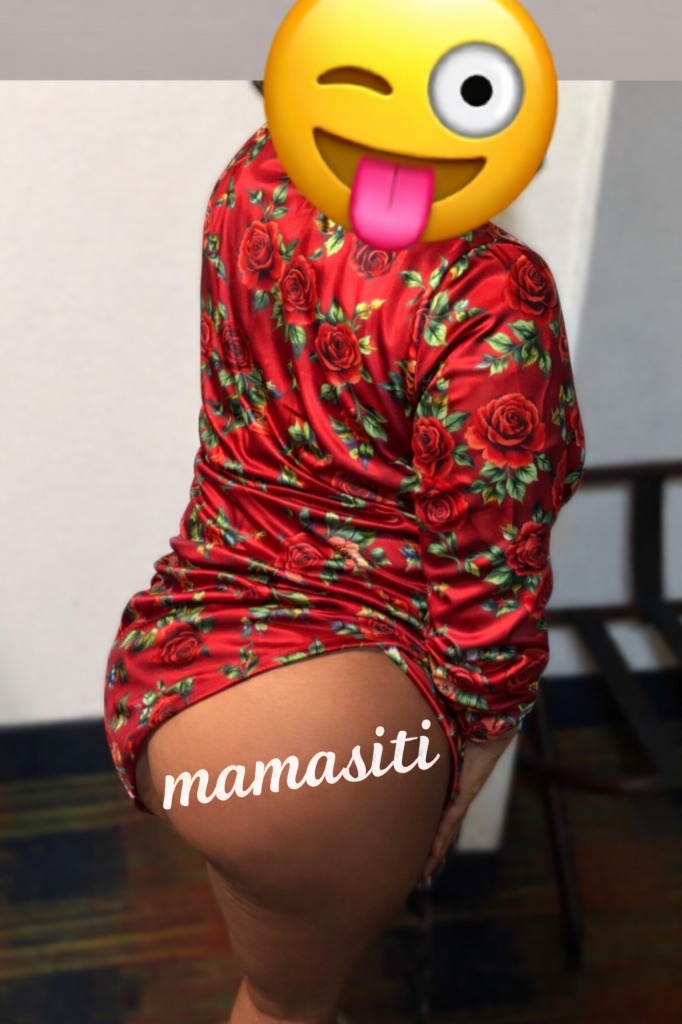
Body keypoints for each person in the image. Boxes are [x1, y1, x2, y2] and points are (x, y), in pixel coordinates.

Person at [103, 115, 585, 1024]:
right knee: (286, 1006)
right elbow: (493, 567)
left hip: (174, 665)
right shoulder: (489, 289)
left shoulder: (260, 167)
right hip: (326, 753)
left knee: (279, 992)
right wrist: (474, 760)